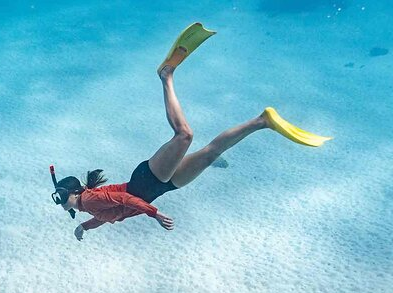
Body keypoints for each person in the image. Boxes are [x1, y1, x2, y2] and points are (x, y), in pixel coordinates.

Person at [50, 23, 332, 241]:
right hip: (159, 187)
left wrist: (155, 214)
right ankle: (262, 121)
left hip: (148, 182)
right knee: (210, 154)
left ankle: (166, 76)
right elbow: (106, 216)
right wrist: (85, 227)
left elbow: (125, 200)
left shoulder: (89, 199)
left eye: (60, 197)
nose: (60, 203)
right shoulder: (89, 206)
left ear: (72, 193)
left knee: (184, 135)